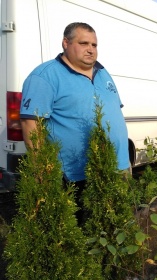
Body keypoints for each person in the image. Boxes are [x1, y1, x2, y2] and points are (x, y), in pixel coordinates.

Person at [20, 22, 130, 205]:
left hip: (118, 164)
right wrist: (41, 170)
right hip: (77, 174)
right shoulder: (44, 76)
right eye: (83, 43)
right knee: (84, 225)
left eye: (94, 45)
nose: (90, 50)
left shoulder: (103, 73)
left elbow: (114, 112)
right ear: (65, 43)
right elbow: (30, 123)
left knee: (117, 222)